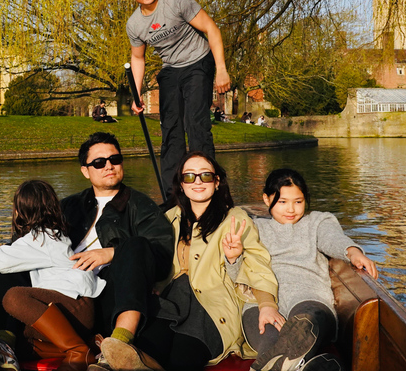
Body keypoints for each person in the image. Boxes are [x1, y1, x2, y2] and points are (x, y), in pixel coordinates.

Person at [98, 151, 278, 371]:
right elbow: (151, 256)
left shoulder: (235, 218)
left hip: (210, 308)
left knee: (181, 361)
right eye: (190, 176)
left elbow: (258, 263)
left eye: (206, 176)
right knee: (145, 350)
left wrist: (266, 303)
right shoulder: (169, 217)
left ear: (217, 181)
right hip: (168, 302)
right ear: (181, 184)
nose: (198, 182)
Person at [0, 180, 106, 371]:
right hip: (74, 312)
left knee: (13, 298)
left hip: (75, 309)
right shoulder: (56, 236)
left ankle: (78, 351)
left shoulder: (39, 240)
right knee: (20, 336)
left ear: (19, 212)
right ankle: (7, 352)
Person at [59, 132, 174, 369]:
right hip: (64, 284)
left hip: (108, 296)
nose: (109, 166)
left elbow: (161, 257)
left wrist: (111, 253)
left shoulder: (141, 206)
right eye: (99, 162)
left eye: (115, 159)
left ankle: (120, 343)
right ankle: (1, 340)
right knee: (18, 249)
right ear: (85, 171)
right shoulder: (68, 206)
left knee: (135, 244)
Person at [245, 169, 379, 371]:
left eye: (298, 202)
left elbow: (332, 238)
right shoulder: (254, 228)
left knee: (307, 319)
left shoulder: (317, 221)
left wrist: (351, 251)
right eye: (282, 202)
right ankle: (314, 366)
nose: (291, 209)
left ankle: (276, 363)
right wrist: (232, 256)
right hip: (264, 300)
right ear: (266, 199)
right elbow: (240, 270)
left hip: (308, 294)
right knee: (269, 341)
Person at [124, 0, 231, 201]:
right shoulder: (134, 24)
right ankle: (173, 199)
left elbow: (211, 29)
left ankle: (207, 189)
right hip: (171, 69)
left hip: (198, 61)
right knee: (170, 130)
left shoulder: (176, 2)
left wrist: (221, 69)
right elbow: (137, 58)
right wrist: (137, 93)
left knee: (195, 123)